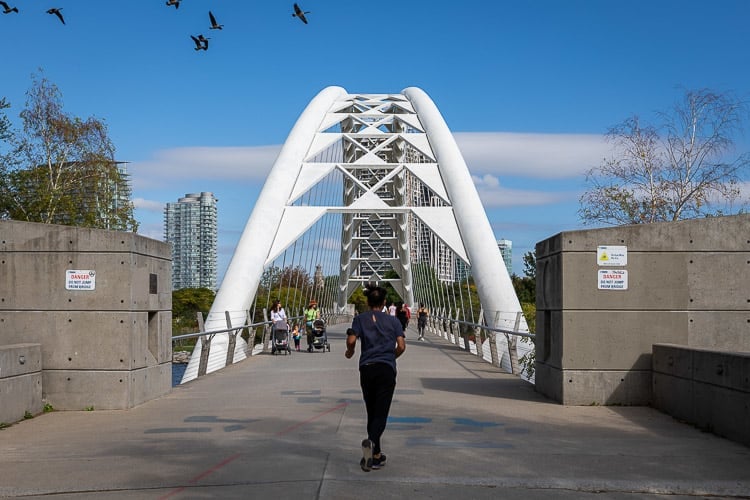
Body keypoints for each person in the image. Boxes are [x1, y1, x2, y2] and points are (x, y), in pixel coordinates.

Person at [345, 284, 406, 472]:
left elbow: (352, 339)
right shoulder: (394, 321)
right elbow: (402, 346)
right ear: (384, 302)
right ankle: (371, 443)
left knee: (371, 411)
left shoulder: (359, 319)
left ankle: (376, 454)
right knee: (381, 413)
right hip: (386, 370)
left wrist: (350, 351)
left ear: (367, 301)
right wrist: (390, 357)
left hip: (367, 369)